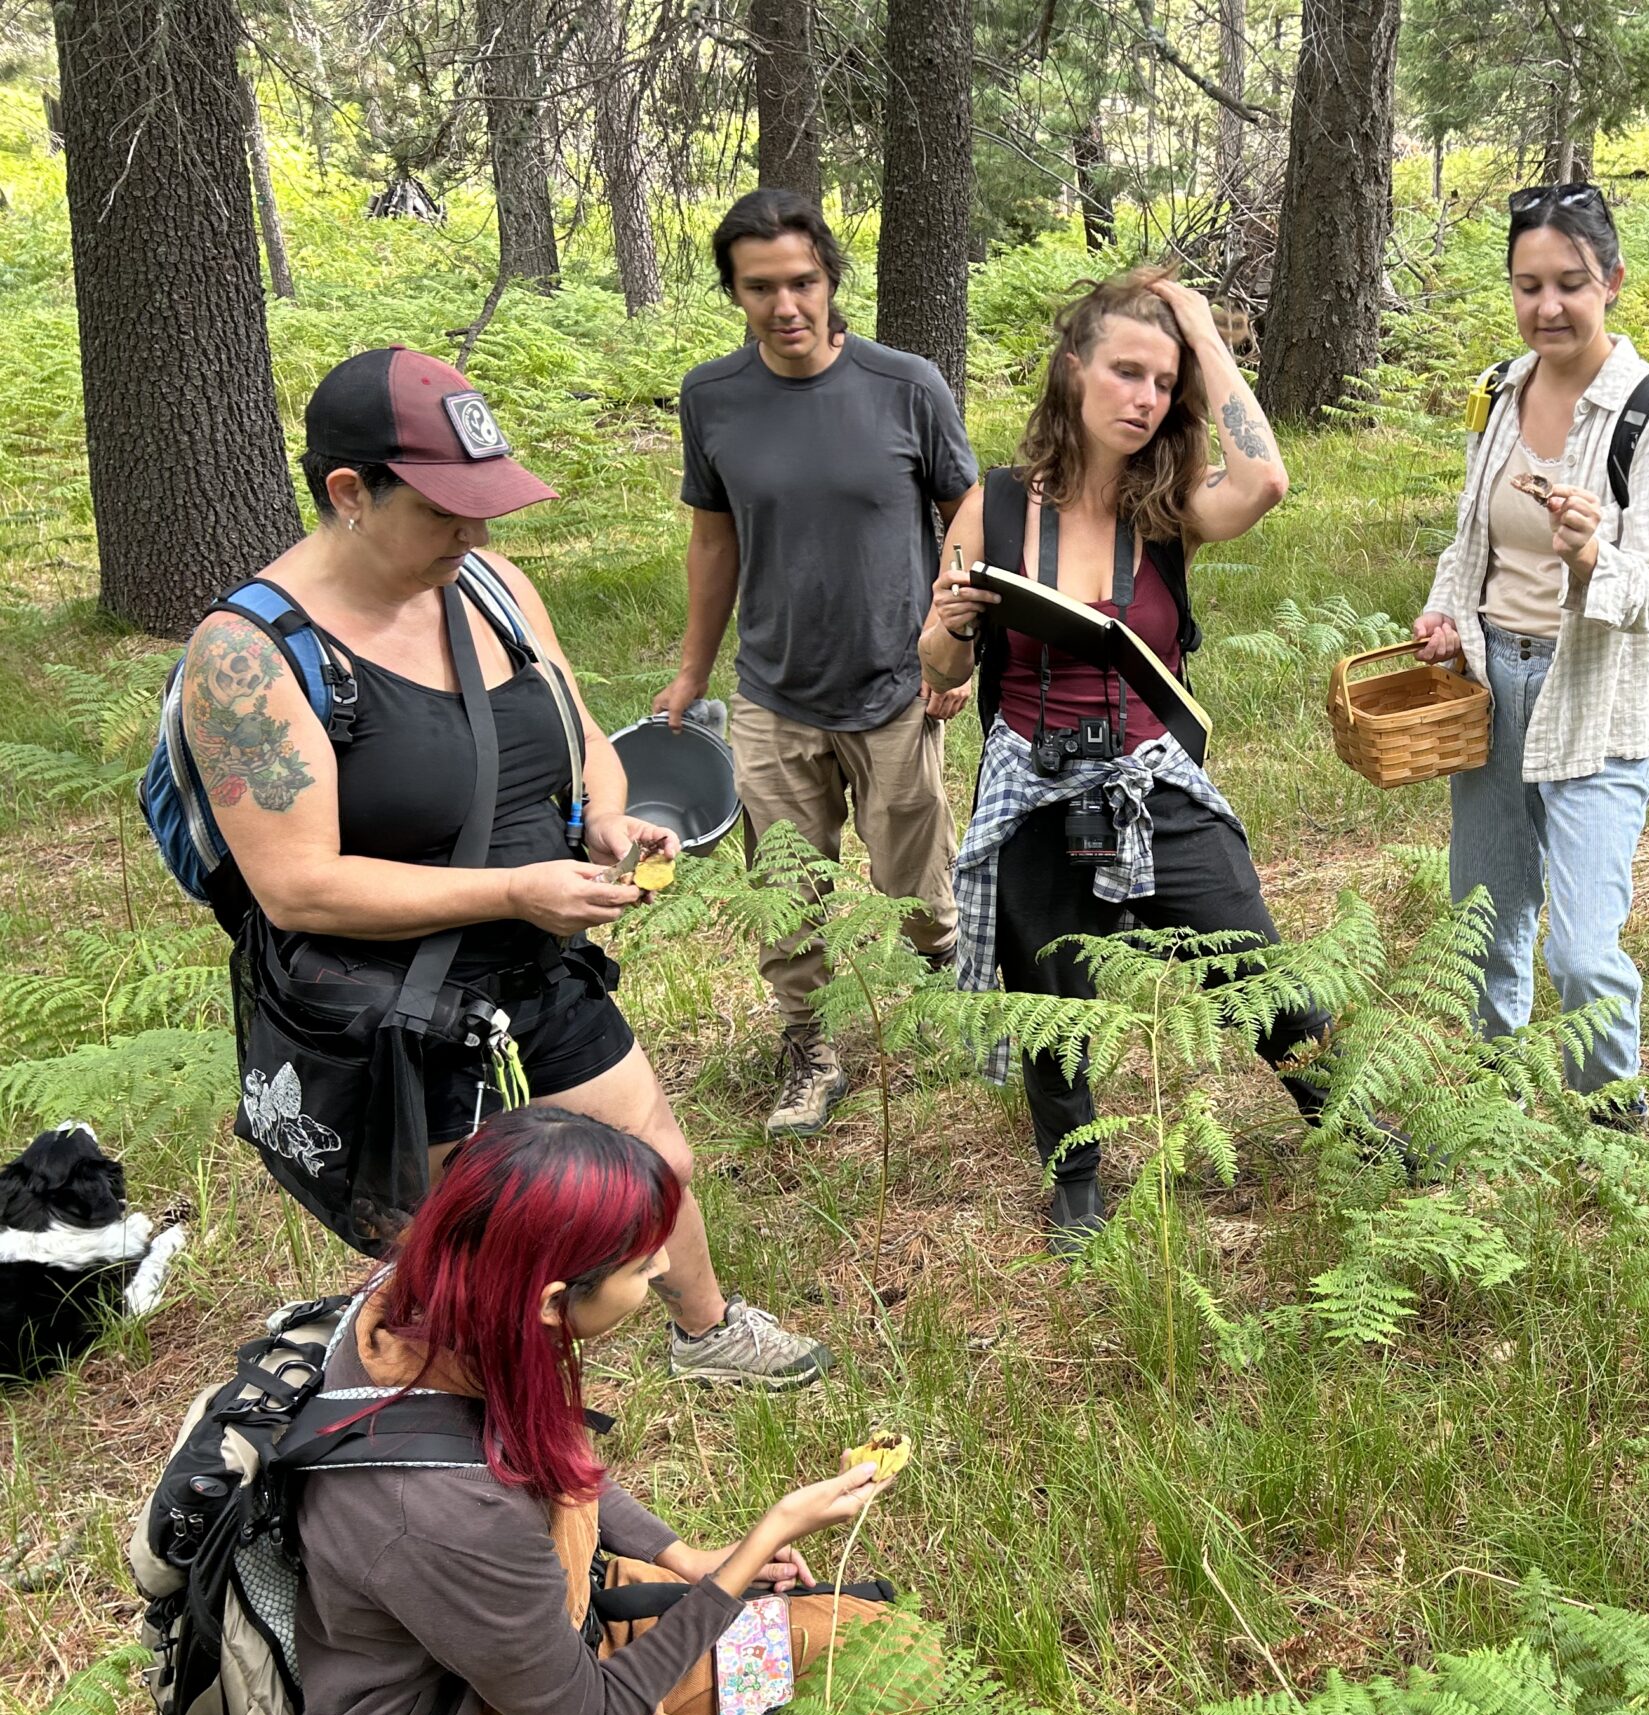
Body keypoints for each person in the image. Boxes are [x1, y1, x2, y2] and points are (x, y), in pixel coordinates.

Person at [185, 346, 828, 1388]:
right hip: (399, 1006)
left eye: (485, 508)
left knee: (657, 1158)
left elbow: (584, 748)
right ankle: (449, 1426)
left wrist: (610, 823)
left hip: (539, 960)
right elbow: (297, 887)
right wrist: (514, 891)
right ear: (350, 492)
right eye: (446, 509)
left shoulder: (491, 588)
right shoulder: (249, 656)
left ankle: (706, 1332)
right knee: (472, 1253)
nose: (475, 532)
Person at [293, 1108, 901, 1715]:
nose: (656, 1279)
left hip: (536, 1639)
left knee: (877, 1647)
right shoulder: (442, 1514)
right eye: (644, 1271)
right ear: (551, 1301)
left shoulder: (437, 1300)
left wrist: (684, 1559)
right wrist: (763, 1542)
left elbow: (549, 1455)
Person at [917, 270, 1318, 1248]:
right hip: (1030, 779)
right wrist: (950, 624)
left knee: (1247, 958)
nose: (1143, 398)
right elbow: (938, 669)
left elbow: (1264, 481)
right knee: (1052, 987)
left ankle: (1344, 1113)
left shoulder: (1166, 502)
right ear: (1072, 373)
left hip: (1148, 769)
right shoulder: (994, 505)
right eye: (1124, 372)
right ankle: (1076, 1178)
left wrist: (1195, 325)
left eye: (1161, 381)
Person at [654, 189, 981, 1139]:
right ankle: (810, 1045)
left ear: (832, 277)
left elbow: (968, 507)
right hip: (772, 694)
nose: (785, 305)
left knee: (917, 891)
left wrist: (947, 637)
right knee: (785, 894)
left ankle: (944, 1003)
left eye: (802, 281)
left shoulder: (905, 384)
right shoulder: (712, 398)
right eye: (760, 288)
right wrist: (690, 669)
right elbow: (713, 544)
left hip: (893, 688)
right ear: (735, 293)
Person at [1412, 185, 1649, 1130]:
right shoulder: (1499, 391)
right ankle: (1500, 1094)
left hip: (1600, 694)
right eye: (1529, 285)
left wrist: (1589, 553)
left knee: (1580, 949)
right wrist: (1445, 616)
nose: (1549, 307)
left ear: (1612, 281)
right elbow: (1471, 541)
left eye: (1571, 284)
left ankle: (1612, 1114)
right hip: (1491, 685)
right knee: (1488, 912)